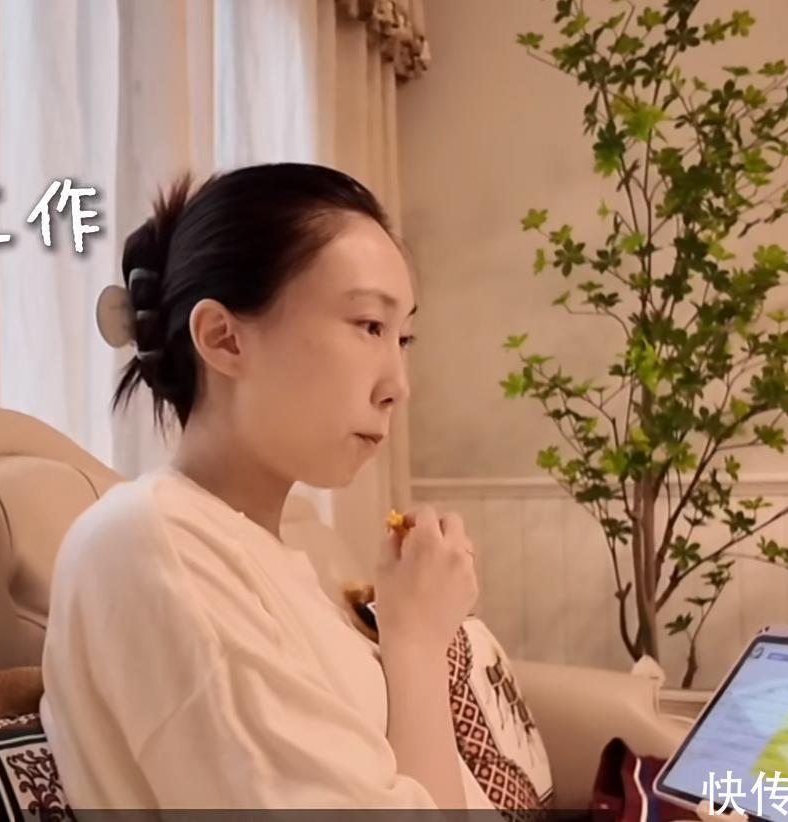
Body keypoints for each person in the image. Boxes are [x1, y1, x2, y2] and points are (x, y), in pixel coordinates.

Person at [39, 162, 490, 809]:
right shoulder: (155, 542)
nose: (398, 385)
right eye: (369, 326)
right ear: (223, 339)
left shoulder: (276, 557)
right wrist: (416, 639)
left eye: (404, 337)